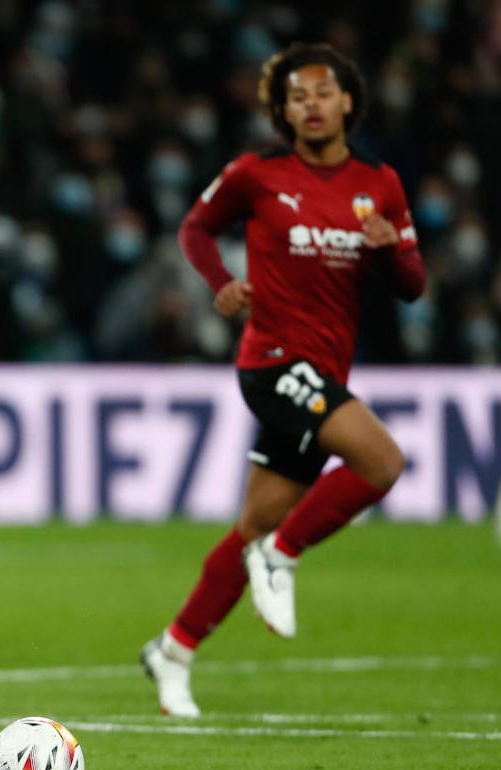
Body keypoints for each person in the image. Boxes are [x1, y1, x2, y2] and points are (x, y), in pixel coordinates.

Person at [141, 42, 426, 717]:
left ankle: (172, 651)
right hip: (271, 363)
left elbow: (413, 287)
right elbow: (195, 229)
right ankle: (286, 551)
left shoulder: (379, 183)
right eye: (298, 97)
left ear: (347, 100)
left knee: (248, 526)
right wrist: (222, 283)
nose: (312, 105)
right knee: (383, 462)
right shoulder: (256, 174)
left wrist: (391, 253)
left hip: (322, 374)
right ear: (284, 110)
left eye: (323, 92)